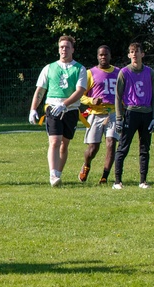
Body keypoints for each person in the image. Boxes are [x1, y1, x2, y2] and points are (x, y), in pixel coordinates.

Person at [28, 35, 88, 186]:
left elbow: (80, 91)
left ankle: (58, 174)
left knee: (64, 144)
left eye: (67, 47)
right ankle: (53, 175)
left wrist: (65, 104)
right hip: (53, 109)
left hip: (71, 111)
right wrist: (33, 109)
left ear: (72, 49)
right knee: (55, 141)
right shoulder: (49, 68)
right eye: (61, 47)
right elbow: (40, 90)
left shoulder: (80, 69)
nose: (64, 50)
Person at [112, 43, 154, 190]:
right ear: (128, 55)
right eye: (131, 52)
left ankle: (143, 181)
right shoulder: (124, 72)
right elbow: (118, 97)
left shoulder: (150, 72)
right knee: (123, 147)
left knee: (145, 148)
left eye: (137, 52)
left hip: (146, 113)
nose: (134, 54)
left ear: (142, 54)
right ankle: (117, 181)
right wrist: (119, 118)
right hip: (131, 113)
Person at [78, 45, 119, 184]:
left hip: (112, 113)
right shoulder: (91, 73)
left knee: (111, 142)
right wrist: (92, 100)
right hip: (95, 113)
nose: (103, 57)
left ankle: (104, 176)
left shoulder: (118, 72)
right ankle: (86, 165)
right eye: (101, 55)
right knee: (92, 148)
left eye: (106, 54)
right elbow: (81, 96)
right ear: (97, 56)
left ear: (110, 56)